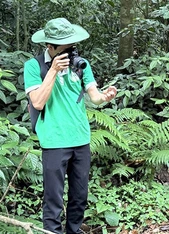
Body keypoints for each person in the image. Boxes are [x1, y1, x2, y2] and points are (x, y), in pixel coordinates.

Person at [24, 18, 117, 234]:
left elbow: (94, 97)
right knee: (53, 198)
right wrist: (54, 70)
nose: (70, 54)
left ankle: (74, 231)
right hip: (54, 140)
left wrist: (106, 96)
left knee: (79, 196)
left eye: (72, 48)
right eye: (65, 50)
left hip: (81, 139)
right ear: (50, 46)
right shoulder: (33, 66)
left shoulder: (81, 65)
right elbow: (37, 102)